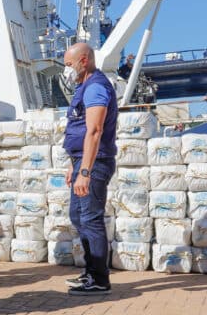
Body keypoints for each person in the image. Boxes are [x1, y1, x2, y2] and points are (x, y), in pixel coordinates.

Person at [62, 43, 117, 296]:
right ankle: (90, 272)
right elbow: (81, 129)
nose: (66, 70)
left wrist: (85, 170)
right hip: (82, 162)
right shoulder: (84, 86)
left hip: (94, 164)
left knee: (91, 219)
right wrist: (74, 166)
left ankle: (99, 279)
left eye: (68, 64)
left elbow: (94, 131)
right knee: (77, 216)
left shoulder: (95, 87)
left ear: (83, 61)